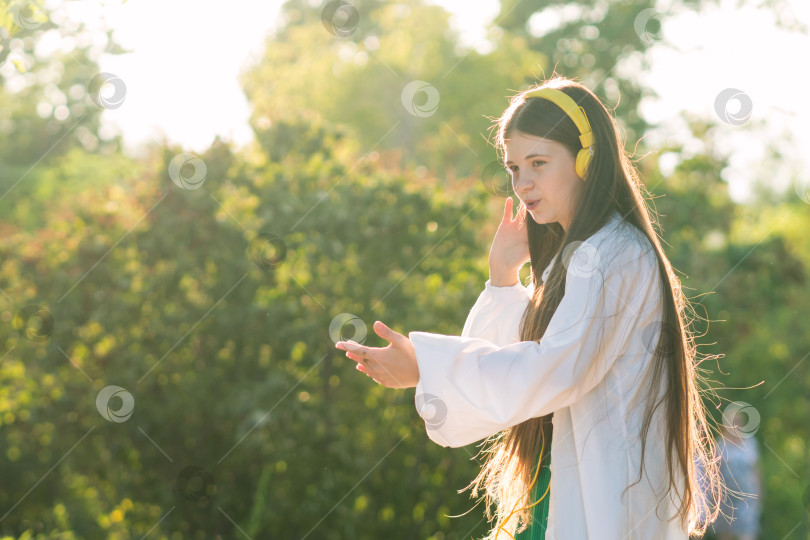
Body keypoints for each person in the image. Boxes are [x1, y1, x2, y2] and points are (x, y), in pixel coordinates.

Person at [335, 75, 727, 539]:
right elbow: (519, 373)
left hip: (600, 502)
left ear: (586, 159)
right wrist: (503, 276)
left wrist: (425, 366)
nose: (522, 183)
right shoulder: (579, 256)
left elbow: (554, 369)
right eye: (514, 168)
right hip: (560, 490)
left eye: (538, 163)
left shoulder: (613, 254)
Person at [710, 410, 763, 540]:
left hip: (748, 496)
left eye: (739, 422)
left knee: (748, 532)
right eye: (733, 422)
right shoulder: (720, 445)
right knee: (725, 534)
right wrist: (714, 497)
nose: (736, 425)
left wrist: (760, 493)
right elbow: (715, 474)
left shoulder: (751, 443)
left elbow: (756, 470)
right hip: (726, 499)